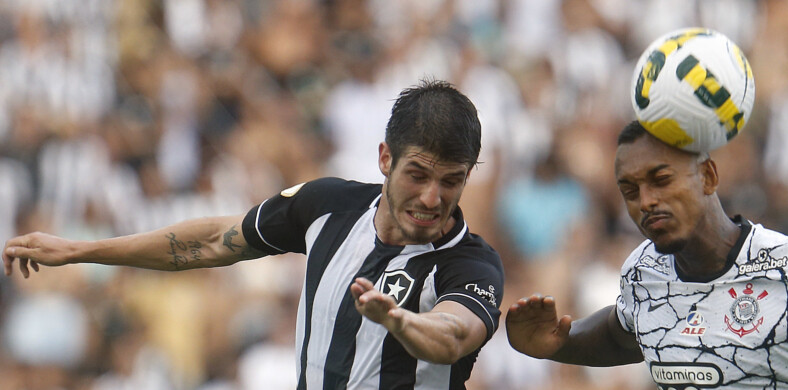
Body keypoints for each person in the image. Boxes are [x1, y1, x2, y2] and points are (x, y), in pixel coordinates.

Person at [3, 79, 505, 390]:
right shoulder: (328, 206)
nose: (433, 198)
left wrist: (400, 322)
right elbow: (213, 240)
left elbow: (452, 335)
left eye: (451, 181)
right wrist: (81, 250)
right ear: (384, 159)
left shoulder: (470, 265)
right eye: (418, 174)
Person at [505, 120, 788, 389]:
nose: (645, 201)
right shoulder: (641, 272)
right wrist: (560, 342)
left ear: (708, 177)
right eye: (630, 190)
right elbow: (626, 333)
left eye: (661, 180)